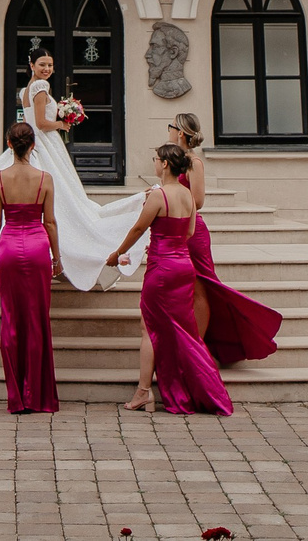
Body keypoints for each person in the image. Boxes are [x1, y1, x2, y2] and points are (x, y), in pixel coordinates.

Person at [0, 48, 143, 290]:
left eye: (50, 65)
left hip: (37, 143)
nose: (47, 69)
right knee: (64, 201)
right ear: (31, 64)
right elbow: (41, 124)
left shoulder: (27, 89)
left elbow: (31, 121)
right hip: (44, 143)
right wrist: (63, 124)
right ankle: (64, 257)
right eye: (42, 64)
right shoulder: (40, 87)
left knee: (64, 200)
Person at [107, 143, 230, 415]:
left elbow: (139, 227)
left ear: (164, 165)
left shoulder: (158, 196)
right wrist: (166, 243)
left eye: (155, 159)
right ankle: (201, 386)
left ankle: (143, 392)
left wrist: (118, 253)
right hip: (183, 266)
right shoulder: (187, 195)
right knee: (184, 330)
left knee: (148, 328)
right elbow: (188, 232)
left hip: (162, 269)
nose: (154, 162)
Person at [168, 111, 278, 367]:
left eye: (171, 127)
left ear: (181, 132)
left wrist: (172, 199)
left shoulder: (194, 162)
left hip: (194, 232)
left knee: (201, 287)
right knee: (186, 288)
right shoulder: (175, 160)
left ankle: (197, 344)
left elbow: (198, 201)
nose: (169, 131)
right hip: (176, 230)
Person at [0, 120, 64, 414]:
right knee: (37, 320)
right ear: (33, 145)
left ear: (8, 144)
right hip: (38, 248)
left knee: (11, 320)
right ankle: (38, 395)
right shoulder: (45, 179)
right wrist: (57, 258)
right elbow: (50, 222)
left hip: (9, 249)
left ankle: (17, 397)